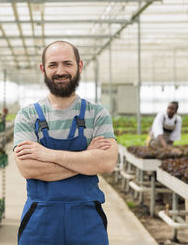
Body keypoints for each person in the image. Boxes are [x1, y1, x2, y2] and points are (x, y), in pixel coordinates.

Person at [13, 40, 118, 245]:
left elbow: (106, 163)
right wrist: (86, 159)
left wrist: (48, 155)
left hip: (87, 219)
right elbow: (28, 168)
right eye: (53, 65)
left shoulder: (97, 113)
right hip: (39, 219)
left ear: (79, 66)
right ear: (43, 69)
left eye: (67, 63)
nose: (60, 71)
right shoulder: (27, 115)